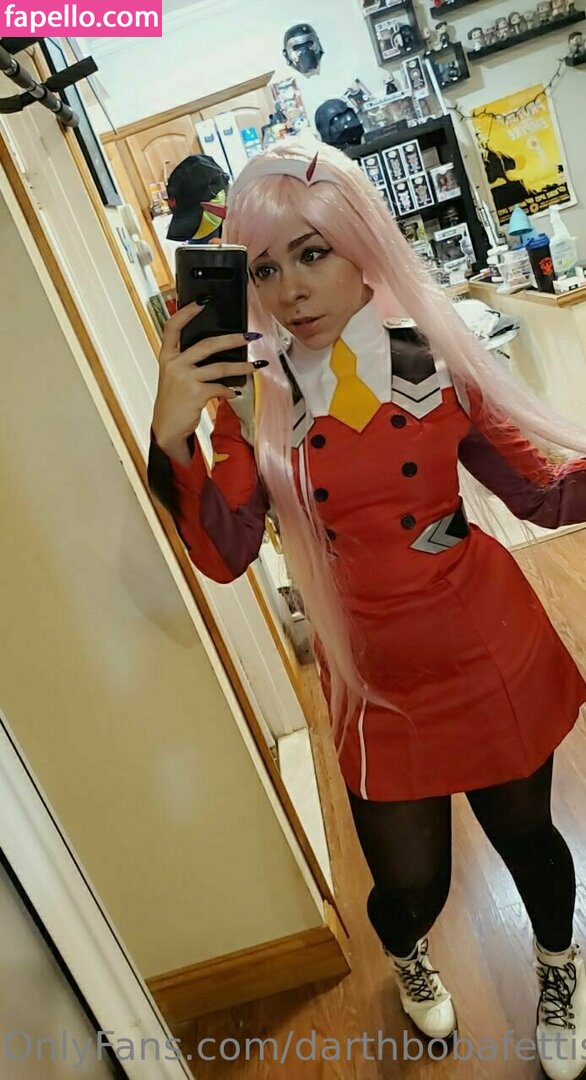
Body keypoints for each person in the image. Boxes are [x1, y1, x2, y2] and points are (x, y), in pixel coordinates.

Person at [148, 140, 586, 1079]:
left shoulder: (442, 362)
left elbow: (544, 497)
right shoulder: (257, 406)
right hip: (375, 680)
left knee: (530, 844)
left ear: (361, 247)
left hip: (487, 649)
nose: (292, 290)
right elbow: (225, 555)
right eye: (266, 269)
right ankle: (408, 955)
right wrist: (173, 438)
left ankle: (560, 968)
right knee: (410, 885)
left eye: (312, 253)